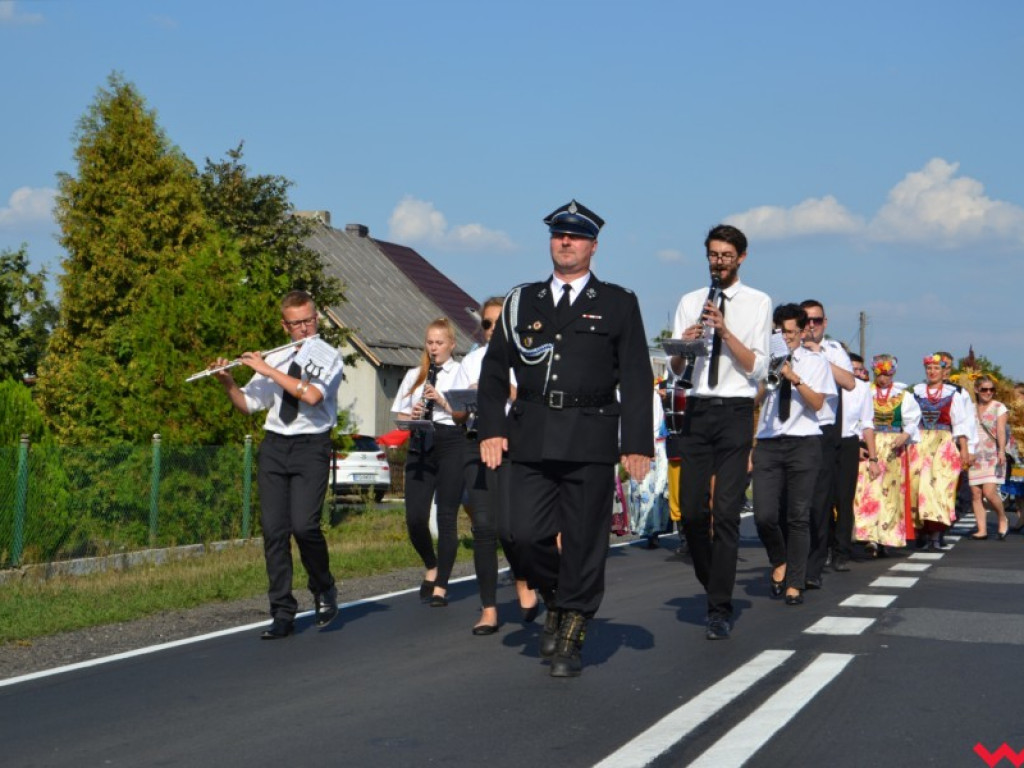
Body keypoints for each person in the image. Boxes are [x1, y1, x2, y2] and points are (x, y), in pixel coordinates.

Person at [477, 199, 653, 677]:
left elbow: (637, 375)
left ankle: (573, 627)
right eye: (558, 234)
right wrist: (491, 428)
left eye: (575, 236)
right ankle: (557, 595)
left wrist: (637, 443)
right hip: (531, 433)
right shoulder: (521, 300)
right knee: (519, 532)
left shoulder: (617, 302)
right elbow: (494, 372)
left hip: (590, 434)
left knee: (583, 539)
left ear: (593, 246)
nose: (566, 242)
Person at [212, 290, 344, 639]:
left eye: (309, 320)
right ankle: (282, 611)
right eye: (296, 323)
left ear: (316, 318)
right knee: (274, 531)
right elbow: (248, 405)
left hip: (311, 445)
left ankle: (324, 586)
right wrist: (228, 382)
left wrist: (267, 369)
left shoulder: (328, 355)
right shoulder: (276, 356)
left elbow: (311, 395)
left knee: (305, 526)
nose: (304, 328)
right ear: (285, 326)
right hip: (275, 444)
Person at [668, 223, 772, 640]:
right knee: (692, 512)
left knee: (725, 512)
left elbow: (757, 367)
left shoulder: (758, 302)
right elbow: (676, 368)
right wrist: (686, 343)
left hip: (734, 409)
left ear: (741, 258)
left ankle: (719, 607)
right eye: (713, 255)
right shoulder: (689, 300)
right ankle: (713, 580)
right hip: (697, 407)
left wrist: (725, 332)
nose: (719, 262)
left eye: (726, 256)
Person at [452, 297, 537, 635]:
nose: (491, 329)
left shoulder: (527, 358)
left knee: (509, 529)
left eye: (498, 323)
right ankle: (489, 609)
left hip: (513, 444)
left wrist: (503, 387)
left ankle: (522, 579)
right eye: (487, 324)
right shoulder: (472, 361)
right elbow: (457, 415)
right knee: (484, 528)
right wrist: (465, 400)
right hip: (476, 443)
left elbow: (532, 402)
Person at [752, 304, 834, 605]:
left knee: (798, 516)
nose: (784, 337)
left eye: (789, 332)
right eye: (779, 331)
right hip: (769, 442)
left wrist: (793, 376)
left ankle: (795, 583)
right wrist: (769, 375)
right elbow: (754, 401)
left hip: (803, 442)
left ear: (802, 332)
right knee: (764, 515)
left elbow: (817, 404)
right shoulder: (764, 361)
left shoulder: (816, 362)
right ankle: (779, 560)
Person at [392, 318, 465, 607]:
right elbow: (399, 417)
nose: (433, 348)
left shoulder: (460, 373)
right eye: (430, 342)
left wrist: (443, 401)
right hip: (420, 442)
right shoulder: (415, 374)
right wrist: (413, 413)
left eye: (439, 343)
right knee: (414, 518)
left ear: (451, 345)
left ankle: (441, 586)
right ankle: (431, 564)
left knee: (446, 517)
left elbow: (467, 415)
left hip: (451, 442)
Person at [798, 300, 855, 589]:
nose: (811, 325)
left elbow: (849, 382)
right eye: (806, 320)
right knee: (794, 502)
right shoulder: (789, 347)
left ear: (825, 323)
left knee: (820, 502)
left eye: (817, 320)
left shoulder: (833, 350)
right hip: (793, 429)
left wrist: (818, 357)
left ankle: (814, 565)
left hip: (824, 429)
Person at [853, 355, 921, 556]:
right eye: (880, 374)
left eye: (887, 374)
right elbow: (857, 419)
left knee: (890, 493)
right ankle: (870, 536)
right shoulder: (866, 392)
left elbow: (912, 420)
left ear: (893, 373)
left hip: (892, 447)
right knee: (867, 490)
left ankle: (886, 535)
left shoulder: (903, 396)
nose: (883, 378)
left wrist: (905, 435)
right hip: (870, 444)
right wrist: (858, 443)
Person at [909, 354, 971, 549]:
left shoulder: (953, 395)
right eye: (929, 368)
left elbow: (960, 424)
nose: (932, 372)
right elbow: (910, 421)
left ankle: (936, 534)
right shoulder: (917, 393)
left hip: (943, 443)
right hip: (920, 442)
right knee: (917, 486)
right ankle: (921, 529)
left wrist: (964, 450)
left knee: (940, 488)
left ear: (944, 371)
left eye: (936, 368)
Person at [833, 353, 880, 568]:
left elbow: (867, 423)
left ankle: (841, 552)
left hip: (848, 443)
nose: (855, 372)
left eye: (858, 369)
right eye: (850, 367)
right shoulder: (827, 382)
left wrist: (873, 457)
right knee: (822, 499)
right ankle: (822, 546)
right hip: (824, 441)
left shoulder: (861, 389)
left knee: (844, 499)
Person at [967, 374, 1009, 539]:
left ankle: (1002, 517)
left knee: (989, 492)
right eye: (984, 389)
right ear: (977, 390)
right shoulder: (970, 408)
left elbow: (1001, 431)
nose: (988, 392)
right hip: (974, 455)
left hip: (992, 454)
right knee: (976, 494)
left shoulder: (999, 407)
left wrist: (1001, 451)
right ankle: (982, 529)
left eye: (992, 389)